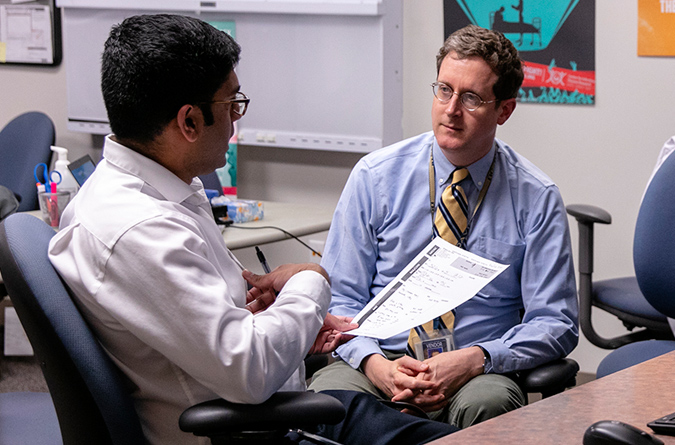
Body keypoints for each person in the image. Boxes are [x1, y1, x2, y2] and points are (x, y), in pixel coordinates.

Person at [48, 14, 456, 445]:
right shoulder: (139, 229)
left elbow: (204, 327)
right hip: (248, 430)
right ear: (189, 122)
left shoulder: (148, 192)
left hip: (258, 409)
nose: (235, 122)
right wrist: (309, 283)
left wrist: (291, 320)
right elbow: (250, 370)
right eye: (231, 105)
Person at [308, 24, 579, 429]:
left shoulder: (535, 196)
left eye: (471, 98)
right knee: (328, 402)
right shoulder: (375, 176)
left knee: (488, 405)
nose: (451, 110)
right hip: (380, 360)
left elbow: (555, 320)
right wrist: (375, 363)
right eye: (444, 90)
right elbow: (341, 300)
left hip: (474, 373)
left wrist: (478, 358)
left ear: (504, 110)